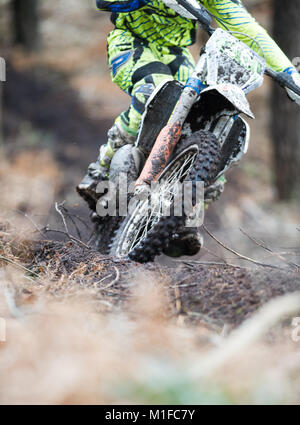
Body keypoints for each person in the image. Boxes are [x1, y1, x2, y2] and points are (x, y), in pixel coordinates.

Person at [77, 0, 300, 256]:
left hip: (179, 55)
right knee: (153, 92)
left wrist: (289, 74)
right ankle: (101, 169)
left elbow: (247, 28)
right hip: (133, 43)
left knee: (205, 116)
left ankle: (185, 213)